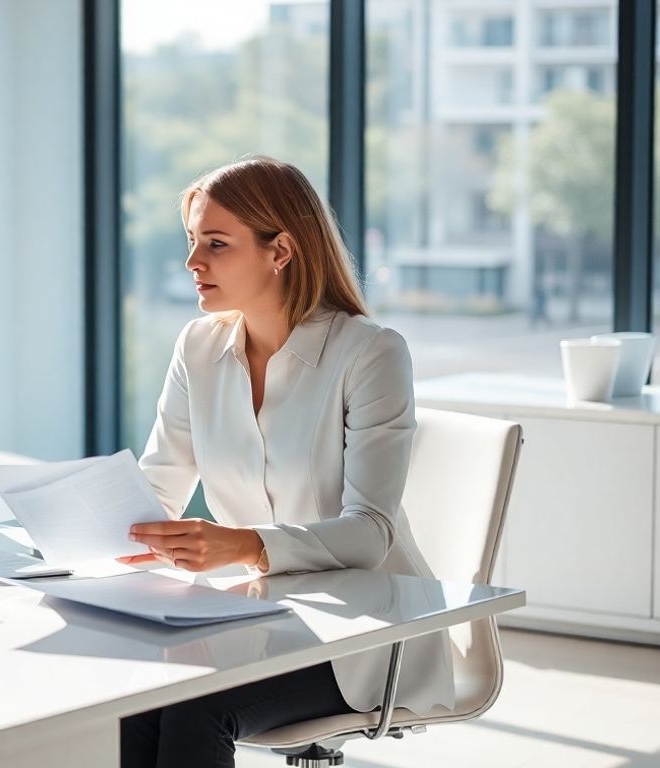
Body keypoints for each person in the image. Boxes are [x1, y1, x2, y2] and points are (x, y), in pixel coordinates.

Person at [118, 156, 454, 768]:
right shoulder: (198, 347)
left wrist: (243, 545)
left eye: (216, 245)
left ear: (281, 251)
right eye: (193, 242)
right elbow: (158, 485)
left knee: (195, 705)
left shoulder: (370, 354)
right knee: (136, 693)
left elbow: (371, 532)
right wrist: (82, 528)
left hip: (363, 631)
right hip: (254, 613)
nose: (194, 263)